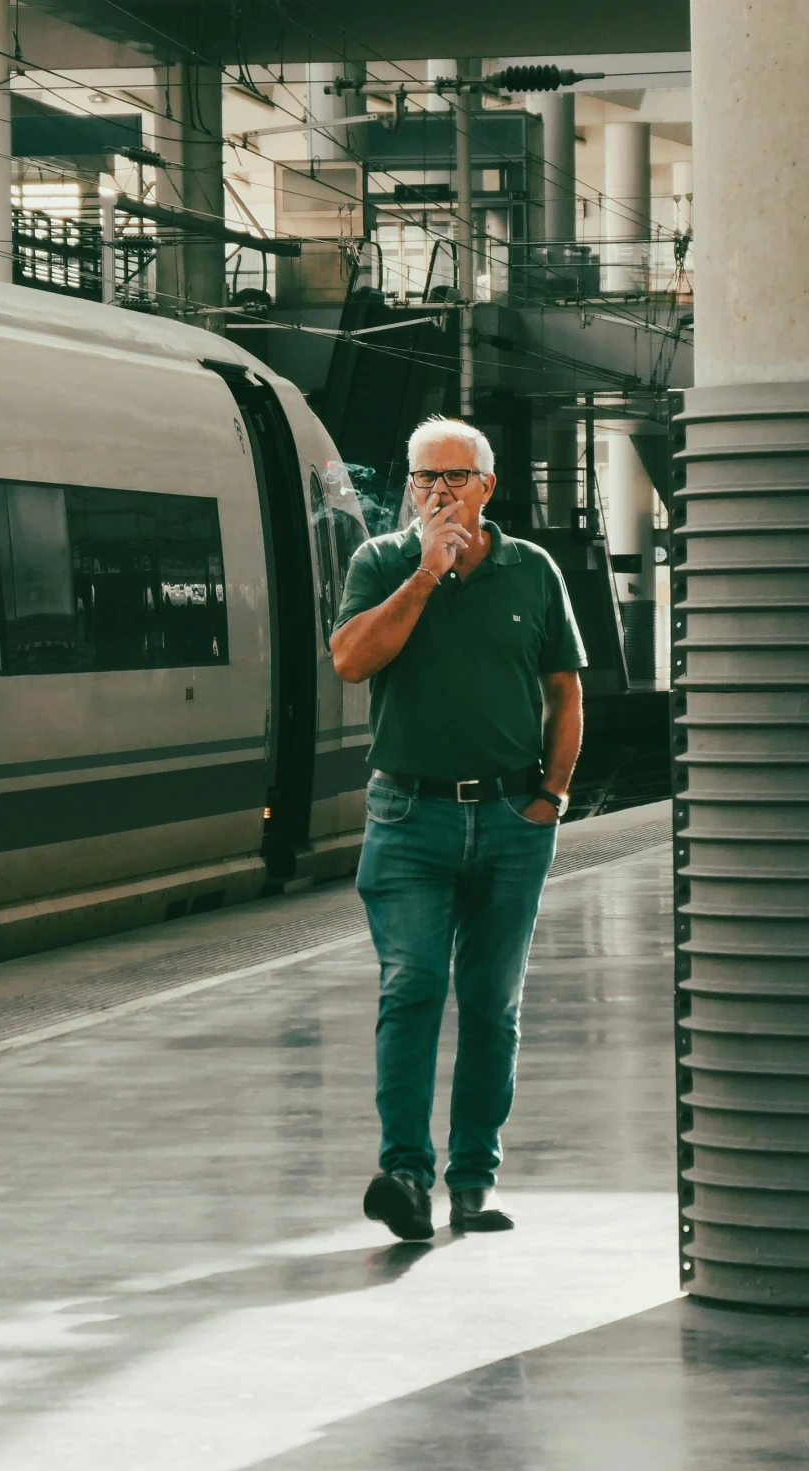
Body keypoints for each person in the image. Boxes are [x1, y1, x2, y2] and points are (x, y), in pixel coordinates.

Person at [329, 415, 587, 1240]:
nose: (437, 493)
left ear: (489, 483)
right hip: (410, 816)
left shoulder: (533, 570)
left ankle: (474, 1181)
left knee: (490, 1004)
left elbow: (565, 693)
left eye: (454, 478)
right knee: (410, 989)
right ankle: (404, 1175)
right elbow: (352, 660)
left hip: (513, 820)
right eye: (424, 479)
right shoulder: (380, 562)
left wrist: (549, 795)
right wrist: (424, 577)